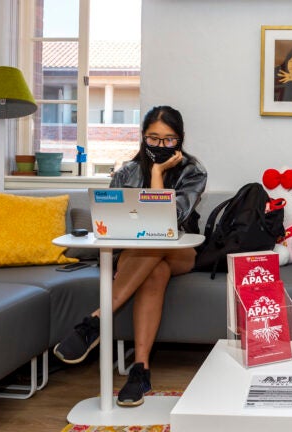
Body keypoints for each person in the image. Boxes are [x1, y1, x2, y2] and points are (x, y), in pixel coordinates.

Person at [53, 106, 207, 407]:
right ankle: (141, 370)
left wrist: (157, 173)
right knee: (155, 271)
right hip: (135, 254)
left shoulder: (193, 171)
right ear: (143, 137)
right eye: (154, 138)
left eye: (169, 140)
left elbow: (168, 223)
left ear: (180, 139)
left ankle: (96, 321)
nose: (161, 146)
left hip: (180, 251)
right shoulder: (125, 172)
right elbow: (112, 222)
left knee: (158, 244)